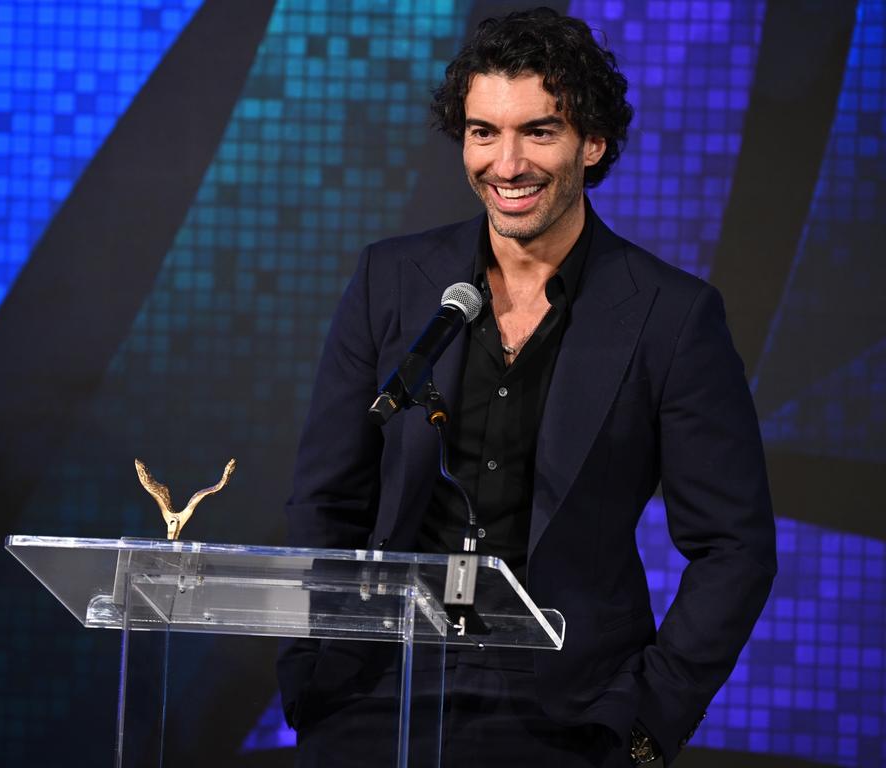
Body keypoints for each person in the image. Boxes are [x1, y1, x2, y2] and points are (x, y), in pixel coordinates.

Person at [277, 7, 776, 767]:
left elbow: (733, 547)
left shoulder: (671, 316)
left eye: (538, 132)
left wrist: (647, 724)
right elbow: (326, 497)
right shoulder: (393, 280)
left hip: (567, 712)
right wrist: (310, 675)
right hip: (378, 690)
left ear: (593, 141)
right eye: (483, 132)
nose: (506, 164)